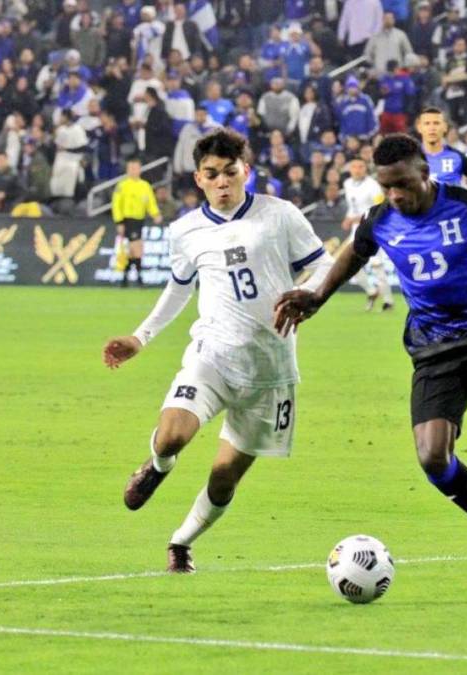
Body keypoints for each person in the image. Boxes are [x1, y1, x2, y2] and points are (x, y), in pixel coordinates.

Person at [273, 134, 467, 601]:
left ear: (425, 174)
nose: (395, 194)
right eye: (386, 186)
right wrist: (316, 296)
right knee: (432, 456)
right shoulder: (381, 220)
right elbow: (352, 254)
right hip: (432, 346)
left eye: (403, 184)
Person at [103, 129, 334, 573]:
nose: (223, 181)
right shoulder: (186, 231)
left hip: (271, 369)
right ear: (199, 179)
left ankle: (181, 542)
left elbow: (323, 265)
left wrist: (308, 294)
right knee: (171, 436)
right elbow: (178, 288)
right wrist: (139, 337)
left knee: (225, 476)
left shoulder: (280, 215)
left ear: (246, 171)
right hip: (212, 356)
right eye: (212, 174)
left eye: (231, 172)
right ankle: (157, 466)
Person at [342, 158, 393, 311]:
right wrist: (348, 218)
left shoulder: (373, 186)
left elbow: (380, 207)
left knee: (376, 264)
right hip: (356, 229)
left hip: (372, 227)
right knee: (348, 264)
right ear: (350, 169)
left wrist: (357, 218)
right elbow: (353, 207)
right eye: (354, 166)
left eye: (361, 166)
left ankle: (388, 301)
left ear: (366, 168)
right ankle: (371, 291)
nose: (357, 170)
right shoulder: (347, 184)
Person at [112, 158, 162, 287]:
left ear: (140, 170)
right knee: (137, 248)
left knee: (133, 250)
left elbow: (150, 202)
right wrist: (119, 222)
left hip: (139, 220)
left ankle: (125, 279)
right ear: (127, 170)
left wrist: (155, 214)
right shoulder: (122, 185)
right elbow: (116, 205)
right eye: (131, 168)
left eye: (135, 168)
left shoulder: (145, 186)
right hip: (127, 220)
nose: (133, 171)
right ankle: (138, 278)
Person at [416, 107, 467, 192]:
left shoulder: (458, 156)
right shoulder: (411, 158)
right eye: (427, 123)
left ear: (445, 127)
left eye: (436, 123)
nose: (432, 128)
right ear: (419, 127)